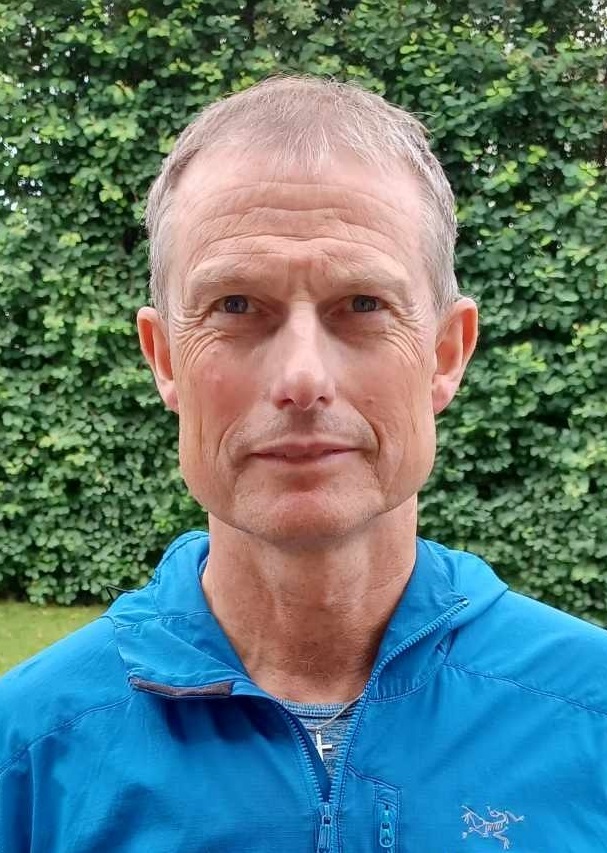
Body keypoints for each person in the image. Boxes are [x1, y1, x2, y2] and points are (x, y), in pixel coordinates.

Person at [1, 75, 606, 853]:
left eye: (362, 304)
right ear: (165, 358)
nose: (301, 379)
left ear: (445, 353)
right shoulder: (29, 754)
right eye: (235, 306)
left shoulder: (589, 714)